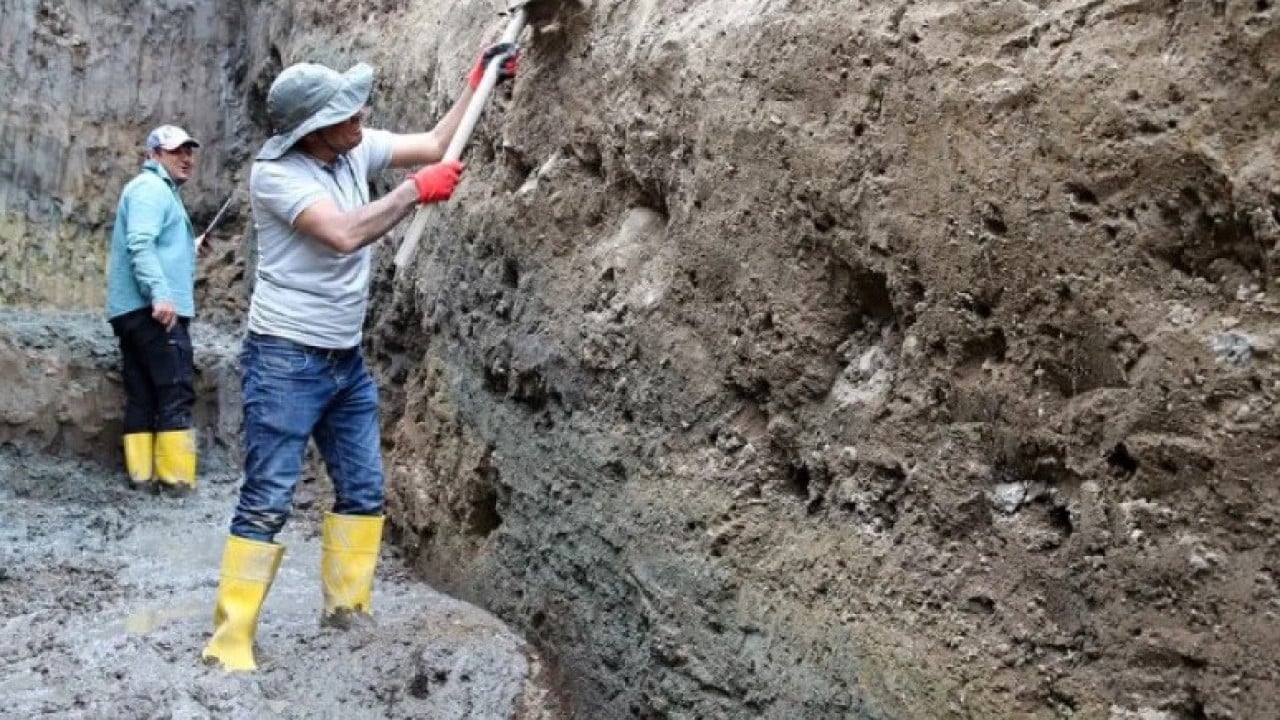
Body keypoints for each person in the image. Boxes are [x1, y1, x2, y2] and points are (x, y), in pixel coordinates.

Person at [202, 44, 519, 672]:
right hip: (285, 358)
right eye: (348, 114)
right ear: (313, 131)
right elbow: (344, 234)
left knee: (365, 490)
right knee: (268, 495)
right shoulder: (277, 177)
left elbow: (433, 144)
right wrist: (411, 196)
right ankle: (230, 639)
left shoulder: (353, 146)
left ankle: (345, 611)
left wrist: (476, 82)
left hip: (343, 361)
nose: (362, 117)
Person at [105, 125, 205, 496]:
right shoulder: (151, 189)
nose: (186, 159)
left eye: (189, 152)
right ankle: (177, 483)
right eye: (177, 151)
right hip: (153, 310)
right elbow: (140, 245)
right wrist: (161, 295)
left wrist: (188, 245)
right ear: (154, 155)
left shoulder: (156, 192)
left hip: (133, 309)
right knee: (176, 388)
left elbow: (153, 243)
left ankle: (141, 479)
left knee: (143, 392)